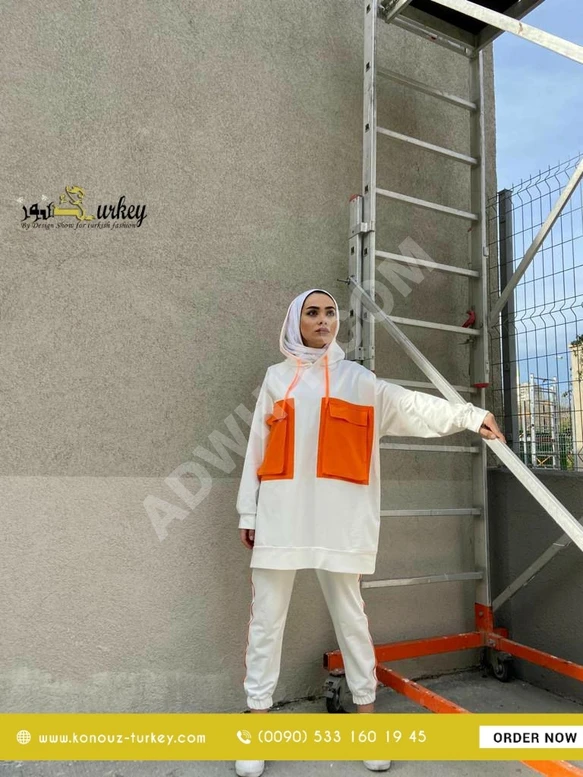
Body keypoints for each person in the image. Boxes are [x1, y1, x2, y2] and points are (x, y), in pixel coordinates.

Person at [235, 288, 505, 777]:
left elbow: (410, 406)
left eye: (329, 312)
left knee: (352, 621)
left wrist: (470, 416)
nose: (323, 320)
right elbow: (258, 446)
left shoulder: (358, 381)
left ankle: (367, 725)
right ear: (295, 321)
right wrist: (248, 514)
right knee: (266, 624)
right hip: (281, 516)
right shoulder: (276, 379)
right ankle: (256, 729)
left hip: (339, 521)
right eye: (312, 313)